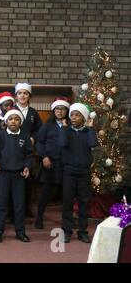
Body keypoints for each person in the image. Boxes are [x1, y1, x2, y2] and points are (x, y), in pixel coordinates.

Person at [0, 108, 33, 243]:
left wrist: (27, 166)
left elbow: (29, 155)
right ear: (6, 121)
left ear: (20, 122)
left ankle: (20, 232)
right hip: (3, 175)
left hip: (18, 175)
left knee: (19, 204)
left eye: (16, 119)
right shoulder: (0, 135)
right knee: (1, 204)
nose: (13, 121)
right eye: (10, 119)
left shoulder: (25, 137)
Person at [59, 103, 98, 243]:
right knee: (67, 202)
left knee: (84, 202)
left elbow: (93, 144)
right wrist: (63, 128)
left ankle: (82, 231)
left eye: (77, 115)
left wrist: (91, 128)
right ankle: (66, 231)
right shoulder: (66, 130)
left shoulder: (88, 132)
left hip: (84, 173)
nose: (74, 118)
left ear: (84, 118)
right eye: (72, 115)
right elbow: (62, 143)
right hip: (69, 172)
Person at [35, 97, 70, 229]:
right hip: (50, 162)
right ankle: (39, 218)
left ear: (66, 111)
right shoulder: (47, 126)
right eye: (57, 109)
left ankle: (67, 221)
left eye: (62, 109)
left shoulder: (70, 126)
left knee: (66, 194)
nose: (60, 111)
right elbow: (39, 143)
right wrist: (44, 157)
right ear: (53, 111)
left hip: (65, 164)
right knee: (45, 192)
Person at [14, 83, 43, 218]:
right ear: (16, 96)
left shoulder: (33, 113)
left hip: (28, 151)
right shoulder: (11, 110)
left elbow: (39, 129)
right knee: (13, 180)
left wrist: (33, 138)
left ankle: (26, 208)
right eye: (20, 93)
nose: (22, 96)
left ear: (29, 96)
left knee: (28, 180)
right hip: (13, 150)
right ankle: (12, 210)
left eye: (25, 93)